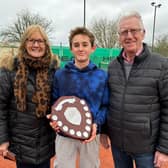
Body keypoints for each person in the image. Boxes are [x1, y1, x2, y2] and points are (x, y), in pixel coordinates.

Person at [101, 11, 168, 168]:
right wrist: (104, 130)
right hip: (118, 144)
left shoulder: (161, 65)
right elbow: (107, 101)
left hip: (146, 148)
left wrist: (164, 149)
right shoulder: (112, 66)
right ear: (119, 36)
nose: (129, 36)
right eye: (124, 32)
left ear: (143, 33)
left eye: (134, 30)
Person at [49, 27, 109, 168]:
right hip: (64, 133)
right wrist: (54, 119)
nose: (80, 48)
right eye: (76, 45)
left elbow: (105, 105)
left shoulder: (101, 75)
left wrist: (97, 124)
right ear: (71, 49)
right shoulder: (60, 75)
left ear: (93, 48)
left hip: (90, 134)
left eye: (85, 44)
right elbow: (54, 101)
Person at [0, 25, 59, 168]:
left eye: (40, 41)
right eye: (31, 40)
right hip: (21, 145)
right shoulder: (9, 69)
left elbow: (58, 103)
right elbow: (1, 108)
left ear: (46, 44)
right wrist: (3, 140)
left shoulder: (54, 70)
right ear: (24, 43)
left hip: (45, 145)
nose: (36, 45)